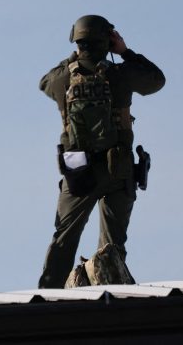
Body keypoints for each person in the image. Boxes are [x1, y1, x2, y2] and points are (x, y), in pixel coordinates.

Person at [37, 15, 165, 289]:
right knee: (113, 243)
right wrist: (125, 52)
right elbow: (156, 81)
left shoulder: (61, 79)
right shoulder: (120, 74)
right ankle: (111, 289)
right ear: (107, 40)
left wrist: (73, 59)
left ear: (77, 40)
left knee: (64, 238)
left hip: (77, 169)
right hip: (117, 168)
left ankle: (48, 294)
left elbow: (43, 83)